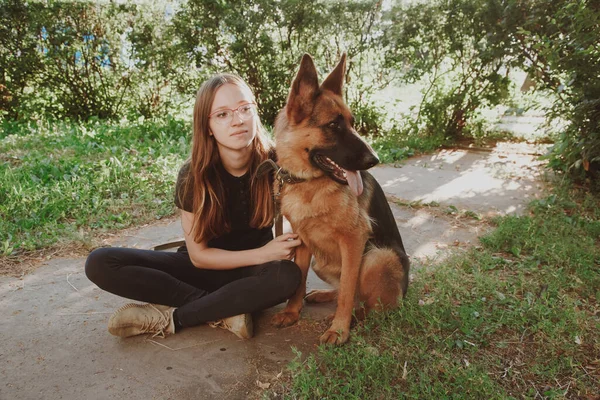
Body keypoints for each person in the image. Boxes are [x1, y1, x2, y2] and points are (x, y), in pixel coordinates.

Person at [85, 74, 302, 340]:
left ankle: (173, 318)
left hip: (251, 275)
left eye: (245, 108)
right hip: (199, 269)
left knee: (285, 276)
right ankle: (221, 308)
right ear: (207, 126)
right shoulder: (193, 175)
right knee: (101, 262)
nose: (238, 120)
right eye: (222, 114)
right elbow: (199, 256)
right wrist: (264, 253)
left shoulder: (277, 162)